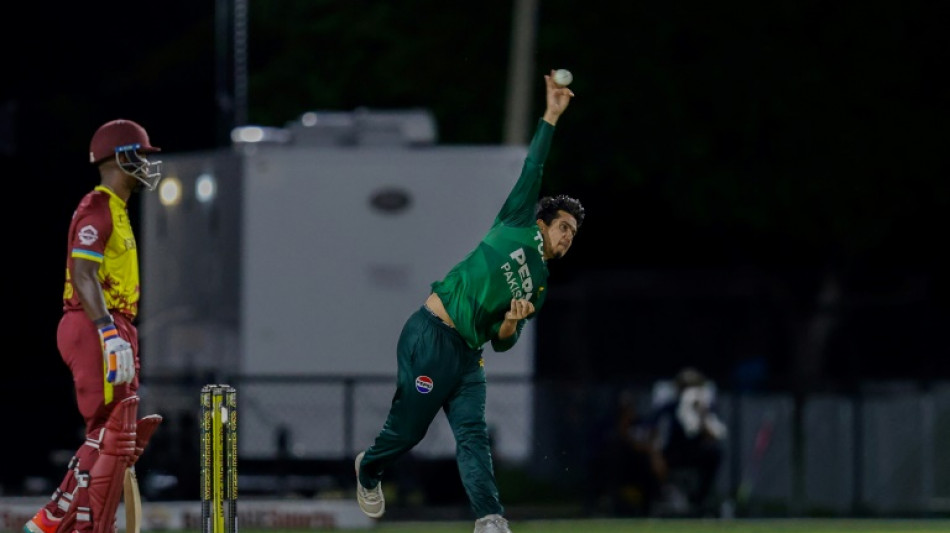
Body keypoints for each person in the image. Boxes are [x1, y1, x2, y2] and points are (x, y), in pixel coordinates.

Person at [354, 70, 583, 533]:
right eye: (563, 226)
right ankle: (369, 468)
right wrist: (551, 115)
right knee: (409, 432)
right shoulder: (518, 221)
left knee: (474, 437)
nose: (567, 237)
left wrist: (510, 324)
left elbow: (503, 341)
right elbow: (533, 166)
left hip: (468, 356)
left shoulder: (539, 287)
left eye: (573, 234)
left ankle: (490, 519)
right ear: (543, 221)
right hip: (432, 333)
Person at [24, 119, 164, 533]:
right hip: (93, 322)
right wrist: (106, 332)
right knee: (110, 433)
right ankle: (66, 522)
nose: (145, 164)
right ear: (121, 157)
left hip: (111, 323)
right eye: (140, 155)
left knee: (116, 437)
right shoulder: (97, 207)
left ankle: (67, 521)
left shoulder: (117, 209)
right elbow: (82, 274)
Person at [645, 367, 727, 515]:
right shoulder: (670, 408)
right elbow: (654, 431)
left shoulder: (705, 409)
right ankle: (657, 500)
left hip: (695, 452)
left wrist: (701, 416)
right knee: (650, 462)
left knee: (714, 454)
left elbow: (713, 436)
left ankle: (698, 500)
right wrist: (656, 457)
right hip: (673, 452)